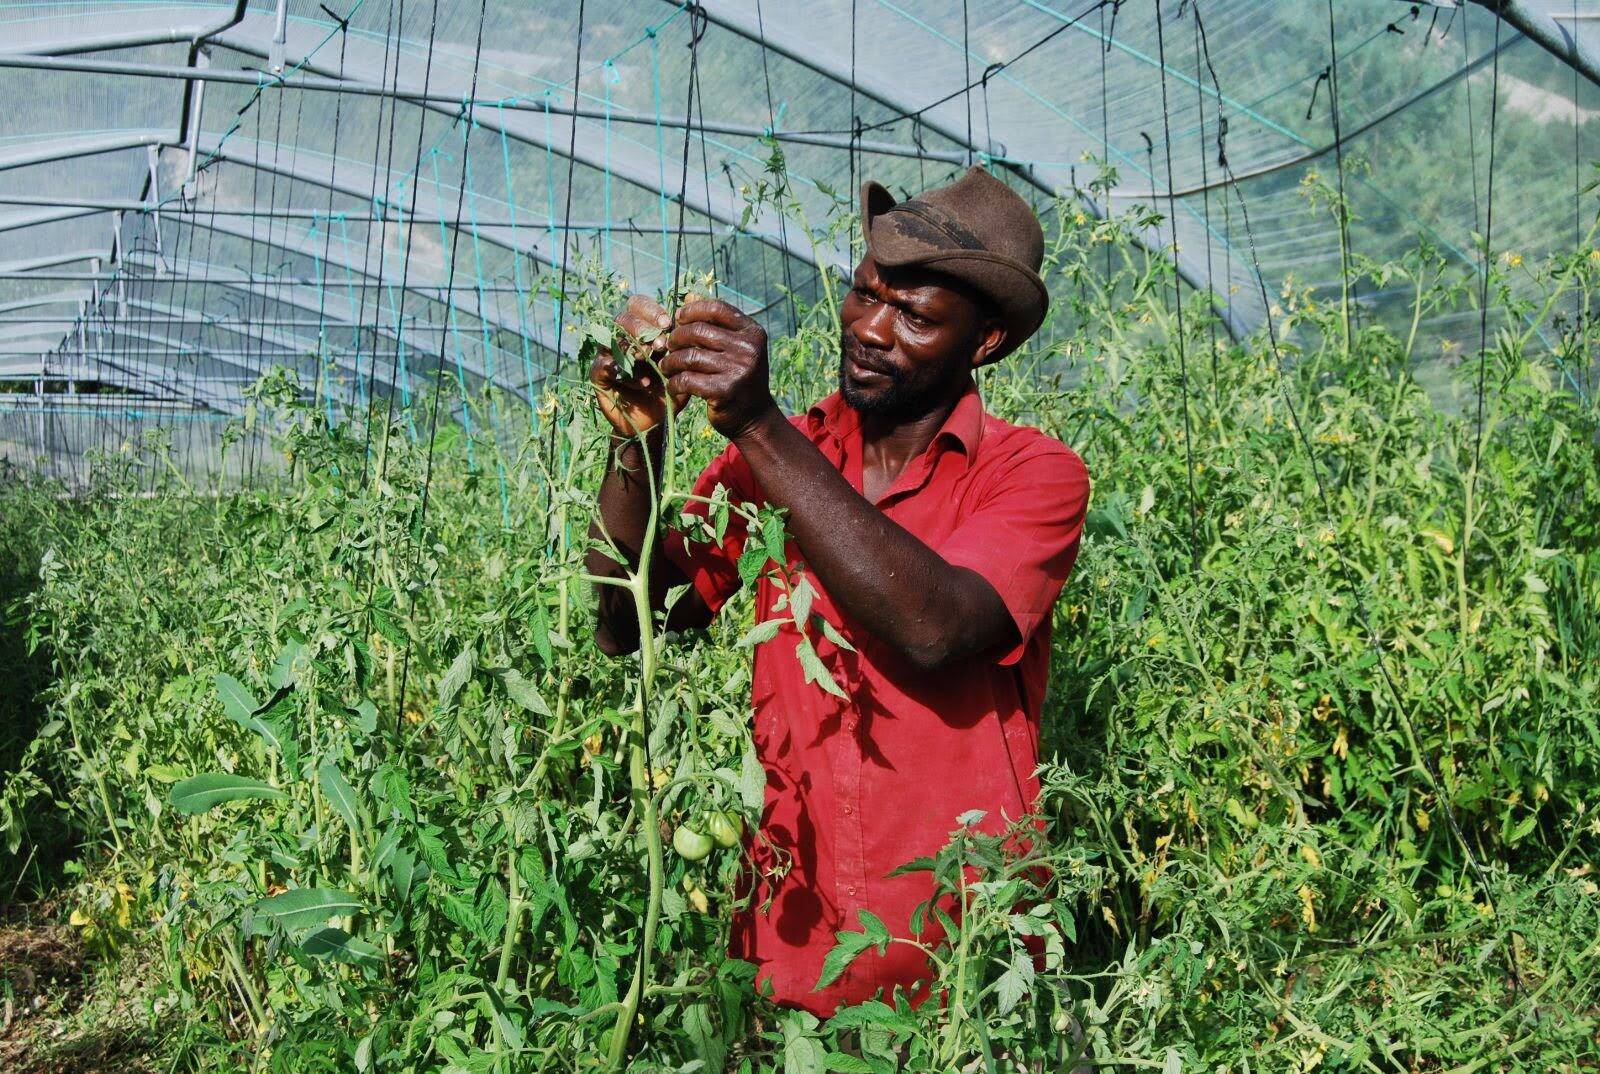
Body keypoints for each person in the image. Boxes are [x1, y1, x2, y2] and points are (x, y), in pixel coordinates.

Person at [586, 166, 1090, 1015]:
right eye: (863, 296)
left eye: (916, 317)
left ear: (987, 342)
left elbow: (934, 625)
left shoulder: (1032, 474)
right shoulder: (784, 454)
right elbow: (629, 623)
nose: (871, 330)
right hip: (793, 946)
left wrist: (756, 423)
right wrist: (636, 446)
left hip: (965, 960)